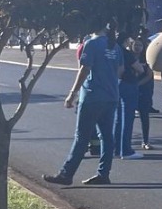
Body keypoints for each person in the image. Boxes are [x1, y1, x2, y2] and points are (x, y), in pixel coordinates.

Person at [43, 21, 124, 186]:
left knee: (82, 137)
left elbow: (84, 69)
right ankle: (103, 173)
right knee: (107, 137)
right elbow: (120, 71)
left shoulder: (92, 44)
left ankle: (66, 174)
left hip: (93, 96)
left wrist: (72, 94)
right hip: (111, 96)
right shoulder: (115, 47)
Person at [115, 35, 148, 159]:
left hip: (116, 84)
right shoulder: (126, 53)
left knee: (117, 118)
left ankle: (117, 148)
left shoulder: (112, 50)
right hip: (128, 84)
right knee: (127, 118)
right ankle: (126, 150)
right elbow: (140, 69)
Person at [135, 31, 156, 148]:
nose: (137, 47)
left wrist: (138, 84)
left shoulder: (146, 59)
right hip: (130, 91)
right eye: (136, 45)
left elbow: (149, 75)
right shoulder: (129, 57)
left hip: (143, 90)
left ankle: (145, 141)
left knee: (144, 116)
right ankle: (124, 142)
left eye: (140, 45)